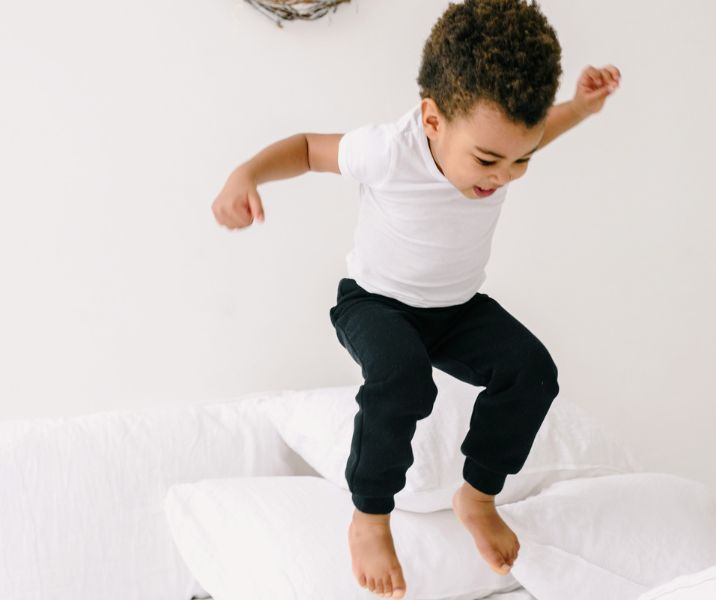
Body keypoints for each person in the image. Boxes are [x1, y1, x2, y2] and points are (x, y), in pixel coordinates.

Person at [212, 1, 621, 597]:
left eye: (521, 160)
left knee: (531, 372)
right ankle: (370, 516)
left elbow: (535, 132)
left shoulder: (500, 144)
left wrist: (581, 108)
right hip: (375, 303)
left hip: (456, 310)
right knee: (404, 380)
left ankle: (477, 496)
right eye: (486, 160)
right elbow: (305, 149)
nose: (501, 176)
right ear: (432, 119)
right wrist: (244, 175)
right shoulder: (386, 149)